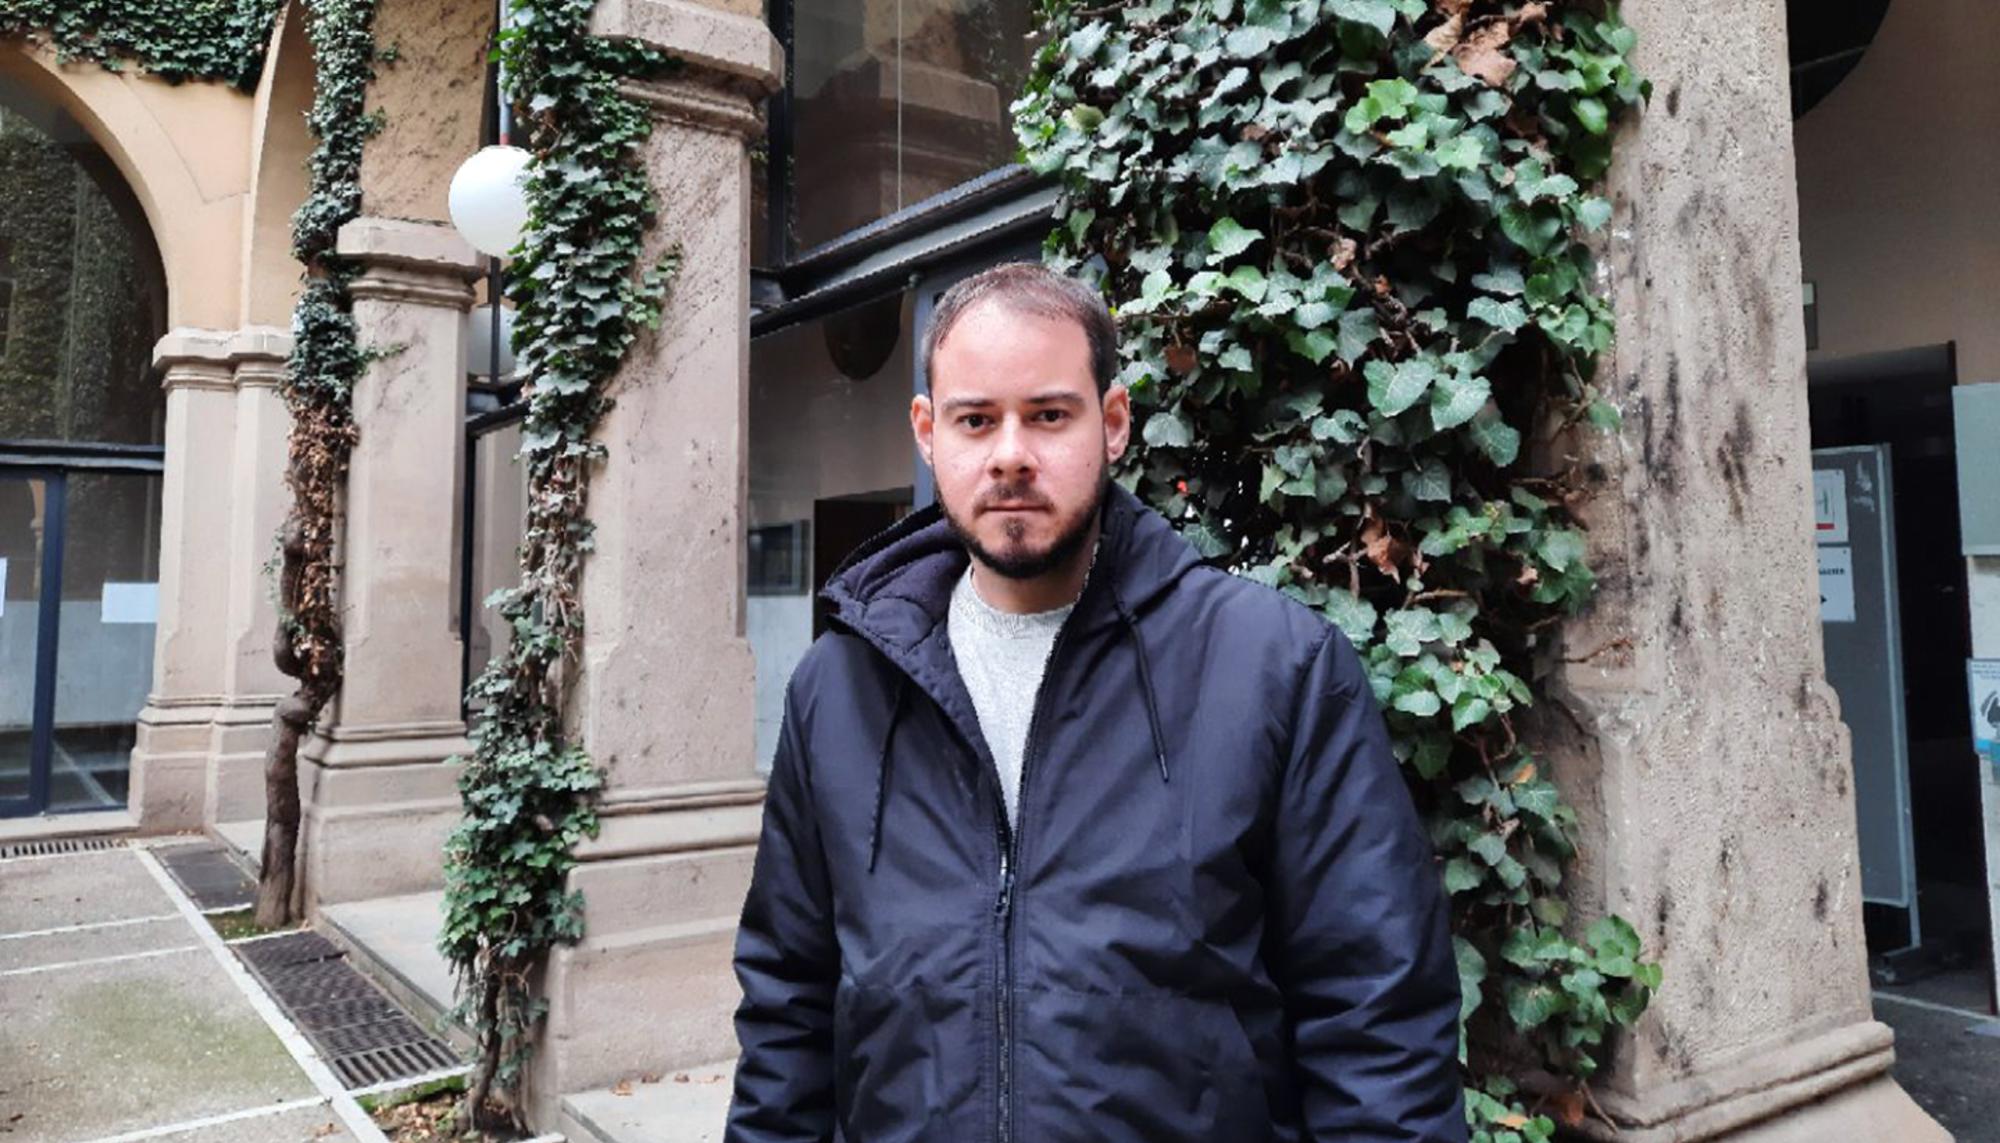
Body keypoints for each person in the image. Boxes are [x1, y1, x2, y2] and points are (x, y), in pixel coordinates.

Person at [726, 262, 1466, 1143]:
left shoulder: (1273, 667)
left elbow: (1376, 1019)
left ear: (1112, 423)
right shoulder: (837, 690)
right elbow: (789, 1014)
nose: (1009, 453)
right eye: (975, 419)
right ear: (928, 433)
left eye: (1048, 414)